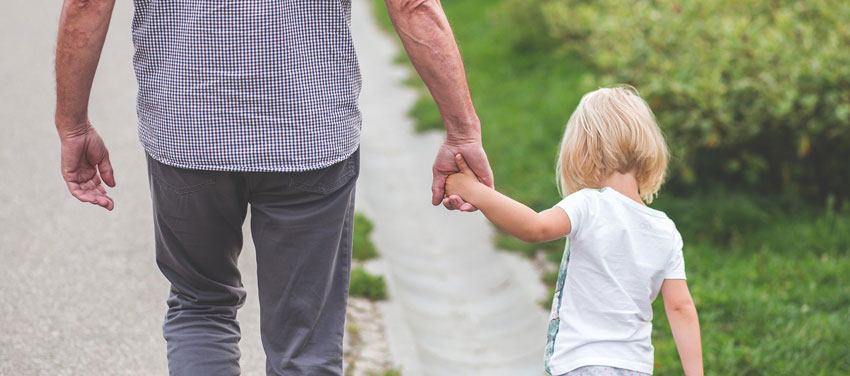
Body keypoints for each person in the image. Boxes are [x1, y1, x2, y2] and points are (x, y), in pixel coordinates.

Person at [53, 0, 492, 375]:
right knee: (306, 343)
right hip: (309, 132)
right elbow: (413, 4)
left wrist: (73, 124)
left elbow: (87, 4)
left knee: (200, 307)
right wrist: (461, 131)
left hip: (186, 133)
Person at [445, 86, 704, 376]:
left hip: (583, 363)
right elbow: (680, 307)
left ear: (584, 148)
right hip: (635, 367)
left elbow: (535, 227)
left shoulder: (589, 204)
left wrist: (473, 190)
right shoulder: (664, 228)